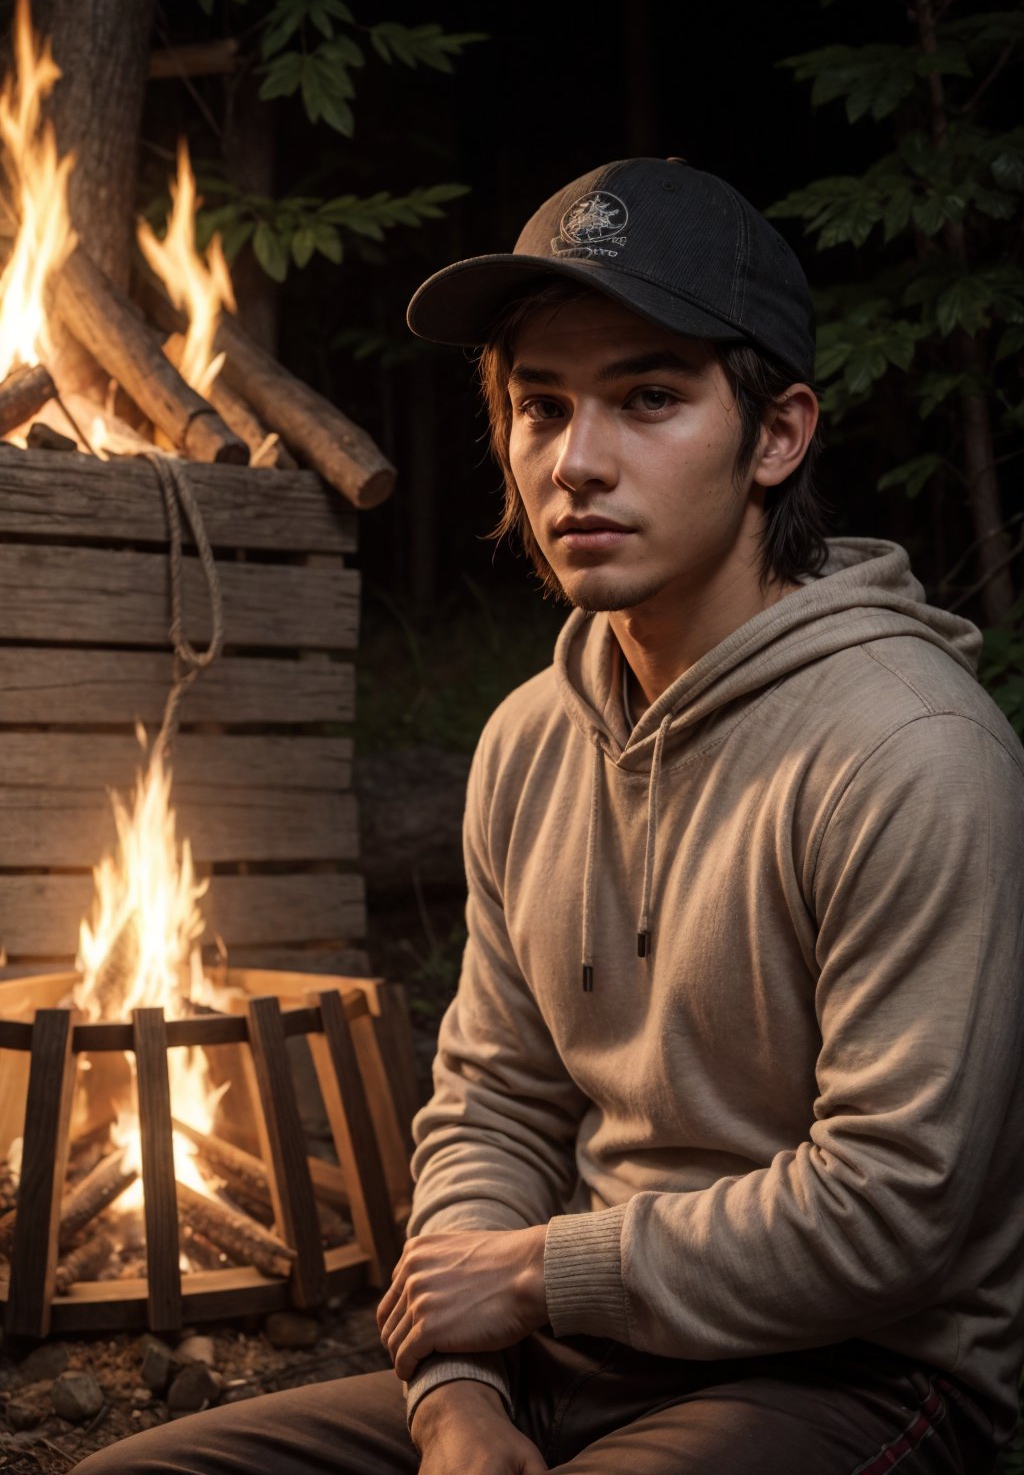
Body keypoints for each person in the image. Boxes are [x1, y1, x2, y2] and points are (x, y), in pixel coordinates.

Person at [77, 158, 1024, 1475]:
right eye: (541, 406)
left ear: (778, 434)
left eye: (649, 398)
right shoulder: (532, 737)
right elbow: (494, 1107)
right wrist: (458, 1395)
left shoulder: (911, 752)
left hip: (856, 1379)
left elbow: (893, 1212)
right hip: (568, 1355)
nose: (578, 461)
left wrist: (533, 1277)